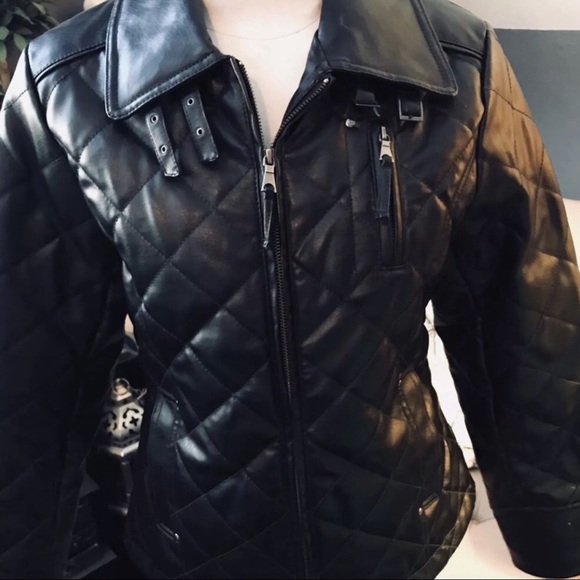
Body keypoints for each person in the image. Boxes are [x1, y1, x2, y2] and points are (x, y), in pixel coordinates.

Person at [1, 0, 580, 578]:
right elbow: (31, 366)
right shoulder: (67, 81)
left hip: (402, 526)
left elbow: (525, 321)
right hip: (195, 535)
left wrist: (557, 530)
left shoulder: (456, 60)